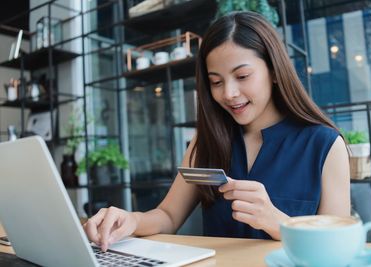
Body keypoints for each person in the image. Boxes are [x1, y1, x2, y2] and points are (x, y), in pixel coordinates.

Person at [84, 11, 350, 251]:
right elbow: (168, 216)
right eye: (216, 82)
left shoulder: (324, 145)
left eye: (243, 76)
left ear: (274, 71)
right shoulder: (207, 140)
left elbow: (338, 245)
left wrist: (278, 222)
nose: (229, 94)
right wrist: (131, 220)